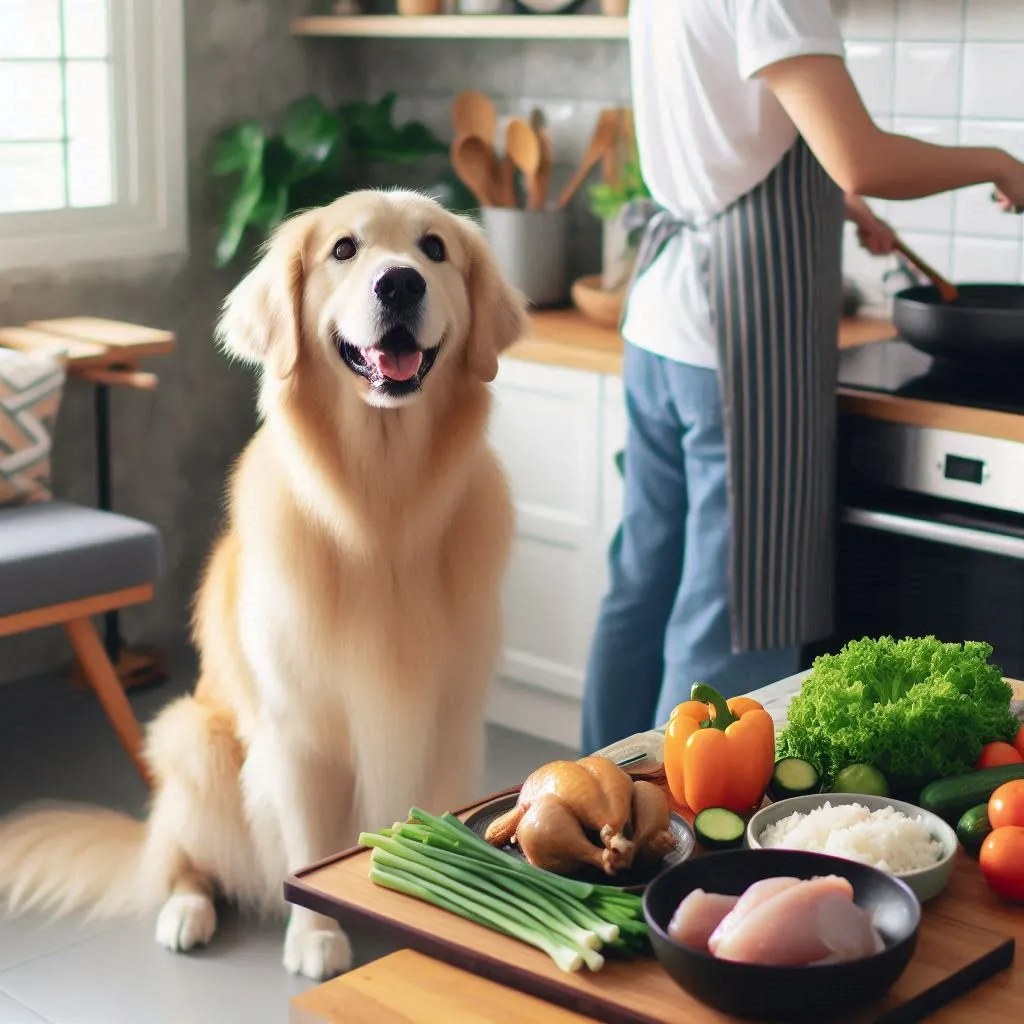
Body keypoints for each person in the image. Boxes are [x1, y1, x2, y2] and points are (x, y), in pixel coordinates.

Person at [581, 0, 1024, 755]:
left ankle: (588, 802)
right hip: (734, 341)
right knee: (730, 611)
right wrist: (1000, 161)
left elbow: (734, 134)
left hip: (661, 329)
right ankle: (683, 832)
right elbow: (862, 157)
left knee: (643, 590)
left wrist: (836, 203)